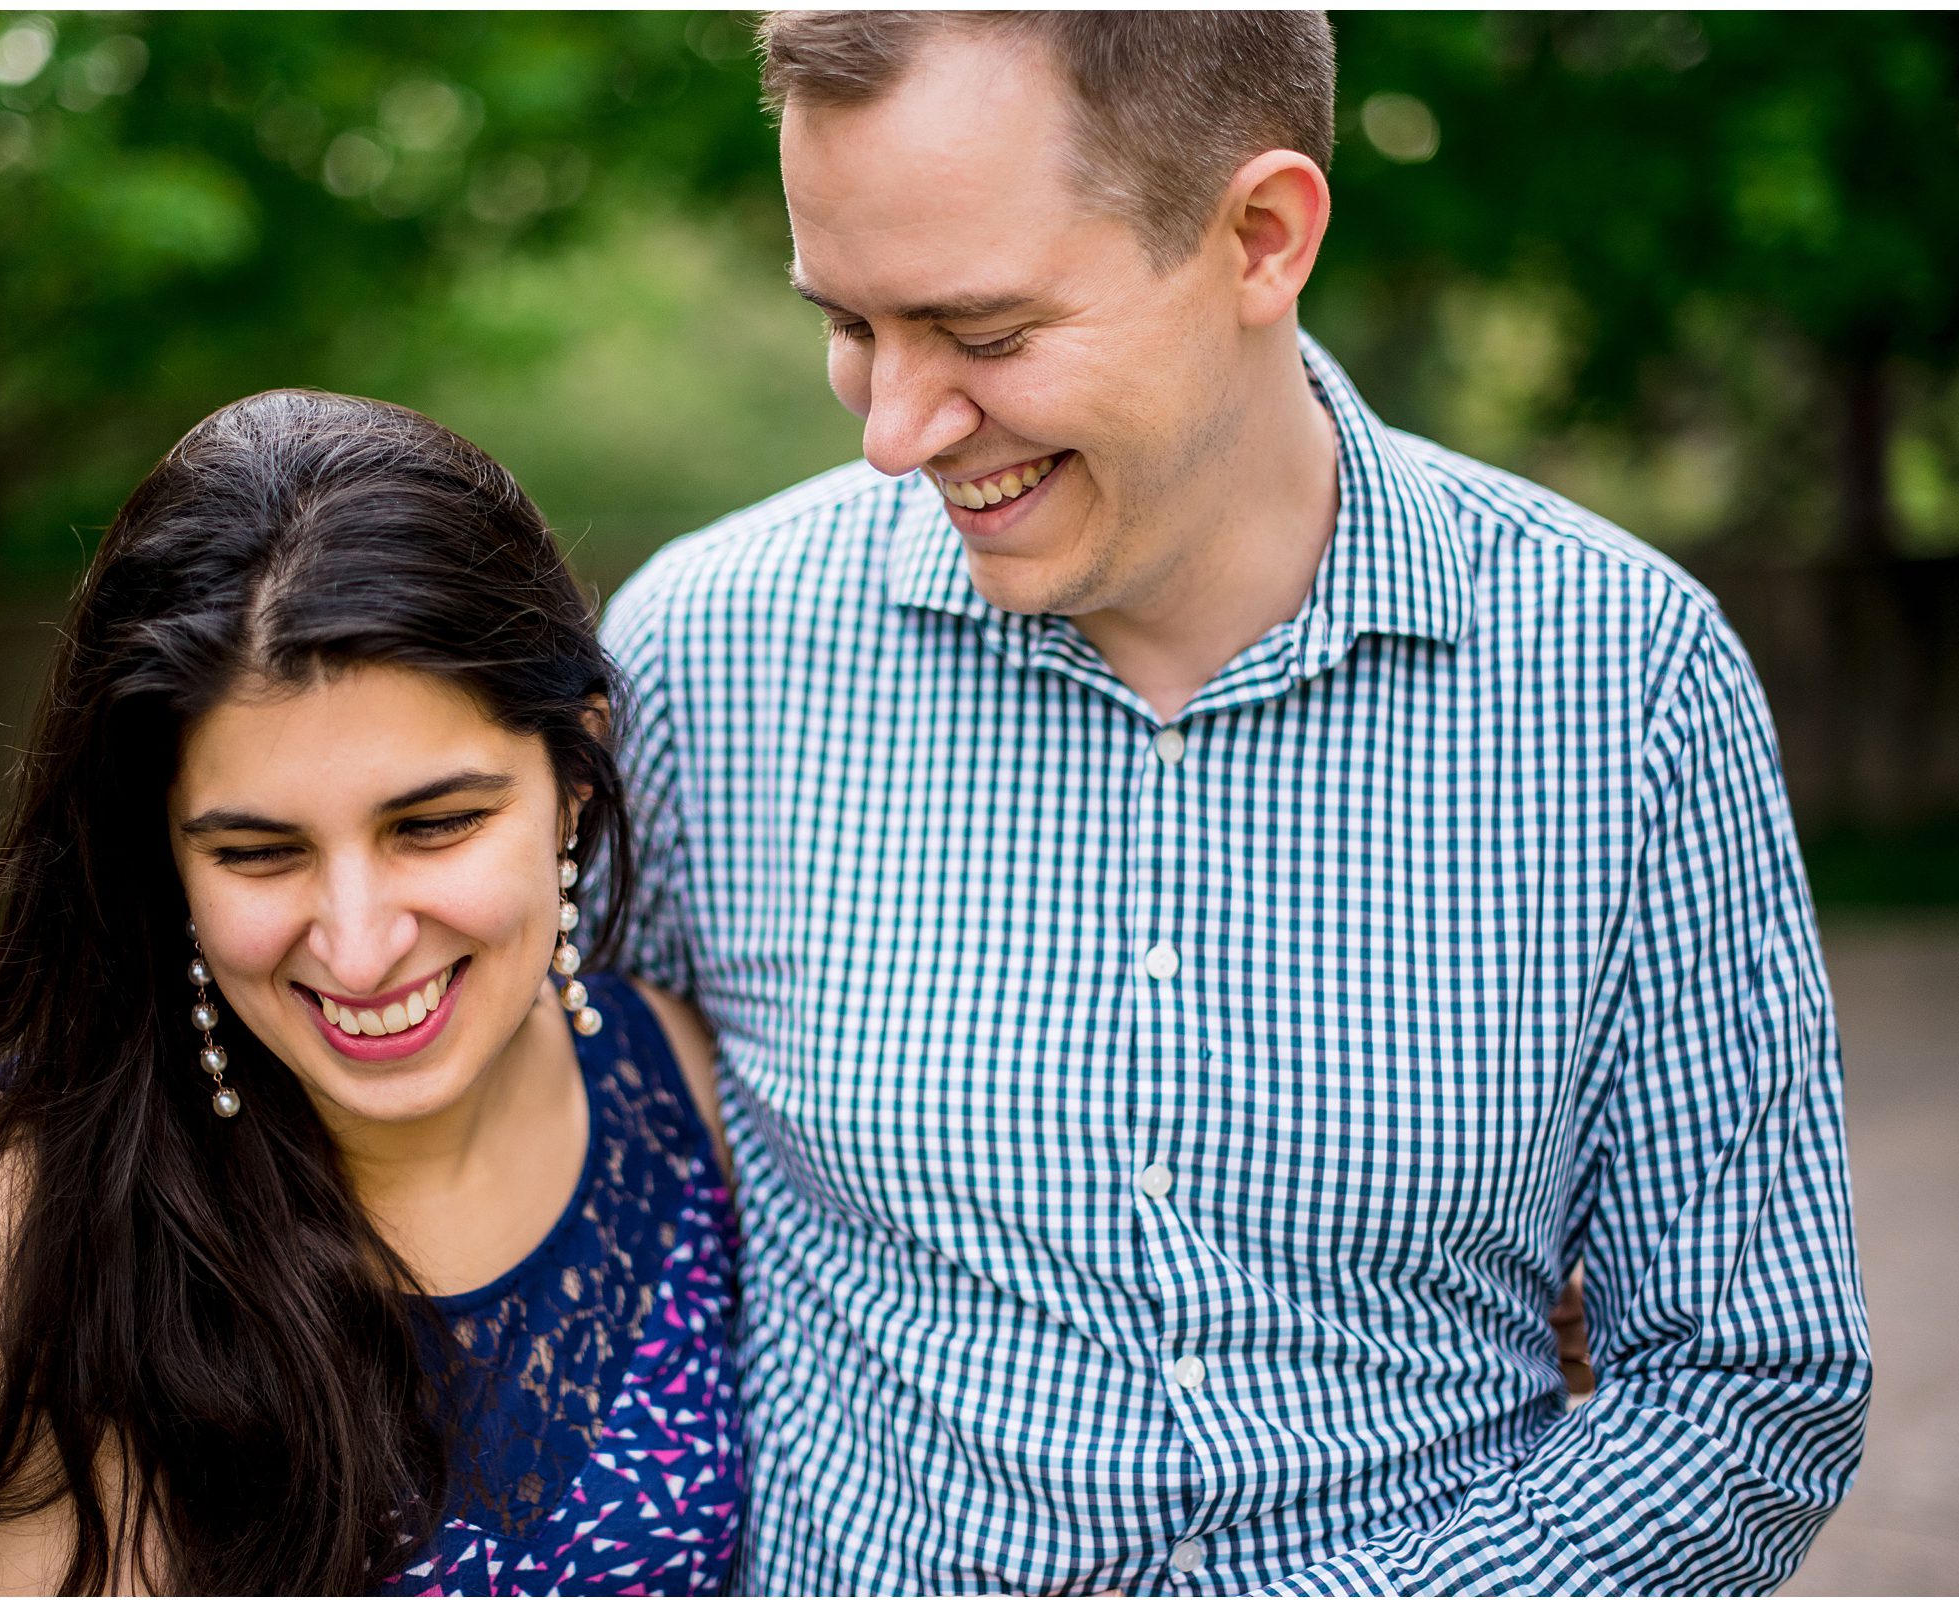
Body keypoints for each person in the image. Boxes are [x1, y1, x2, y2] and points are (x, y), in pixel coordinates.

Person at [596, 11, 1869, 1595]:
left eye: (981, 332)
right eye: (850, 323)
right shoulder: (702, 653)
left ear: (1262, 236)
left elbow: (1748, 1387)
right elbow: (518, 1176)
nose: (889, 429)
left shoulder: (1626, 681)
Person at [0, 391, 742, 1594]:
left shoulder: (682, 1089)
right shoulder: (2, 1220)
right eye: (258, 851)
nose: (359, 949)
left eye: (435, 824)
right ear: (161, 852)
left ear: (574, 776)